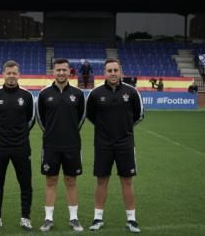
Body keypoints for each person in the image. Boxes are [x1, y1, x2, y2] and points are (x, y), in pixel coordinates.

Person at [86, 58, 144, 233]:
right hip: (103, 143)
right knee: (102, 180)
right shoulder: (95, 93)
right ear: (104, 73)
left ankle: (131, 220)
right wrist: (106, 130)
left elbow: (139, 115)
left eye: (115, 70)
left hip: (125, 143)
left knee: (127, 180)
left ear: (121, 72)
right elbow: (90, 116)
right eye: (109, 70)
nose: (112, 73)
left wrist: (124, 129)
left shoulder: (132, 92)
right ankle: (97, 218)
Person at [36, 58, 86, 232]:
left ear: (69, 71)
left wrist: (70, 132)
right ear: (53, 72)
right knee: (51, 180)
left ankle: (74, 218)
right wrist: (51, 133)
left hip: (72, 145)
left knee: (71, 181)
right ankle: (48, 218)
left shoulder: (78, 94)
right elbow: (40, 119)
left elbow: (81, 118)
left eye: (64, 70)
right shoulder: (44, 94)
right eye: (58, 70)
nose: (61, 73)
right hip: (50, 145)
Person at [0, 60, 35, 231]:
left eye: (14, 73)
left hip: (21, 146)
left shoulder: (27, 95)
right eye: (9, 73)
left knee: (25, 183)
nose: (11, 76)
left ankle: (25, 218)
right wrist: (1, 135)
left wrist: (18, 134)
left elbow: (31, 119)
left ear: (19, 75)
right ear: (3, 74)